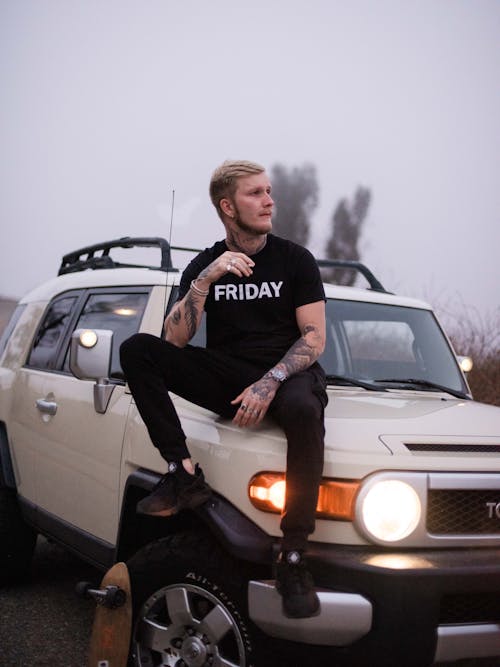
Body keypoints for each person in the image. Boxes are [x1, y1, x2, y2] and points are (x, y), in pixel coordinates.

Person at [120, 159, 327, 619]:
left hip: (287, 373)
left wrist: (270, 380)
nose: (270, 200)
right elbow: (173, 339)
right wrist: (205, 279)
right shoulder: (206, 264)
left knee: (303, 412)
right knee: (138, 349)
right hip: (227, 372)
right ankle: (182, 473)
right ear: (227, 206)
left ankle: (293, 554)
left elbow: (313, 338)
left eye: (270, 191)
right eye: (256, 193)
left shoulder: (295, 259)